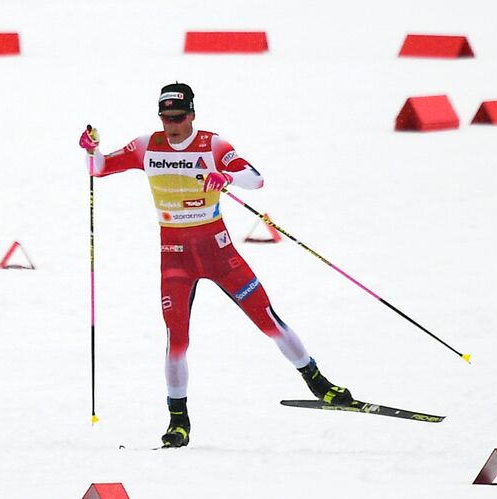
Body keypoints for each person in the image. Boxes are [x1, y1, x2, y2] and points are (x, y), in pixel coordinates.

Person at [80, 82, 353, 447]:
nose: (172, 125)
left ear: (192, 114)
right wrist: (92, 150)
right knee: (177, 339)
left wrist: (226, 177)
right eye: (165, 118)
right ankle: (179, 420)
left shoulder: (212, 144)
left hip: (219, 253)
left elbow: (255, 178)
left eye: (178, 117)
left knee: (266, 318)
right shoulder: (147, 145)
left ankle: (318, 382)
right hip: (175, 256)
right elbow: (98, 169)